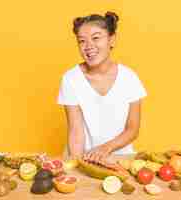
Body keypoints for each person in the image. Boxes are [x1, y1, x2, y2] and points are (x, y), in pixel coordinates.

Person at [57, 11, 147, 164]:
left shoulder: (130, 78)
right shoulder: (70, 79)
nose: (88, 46)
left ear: (111, 40)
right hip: (84, 157)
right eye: (82, 41)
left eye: (96, 38)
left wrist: (105, 148)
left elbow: (132, 129)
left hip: (122, 158)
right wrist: (79, 164)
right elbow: (75, 131)